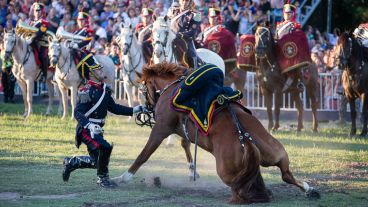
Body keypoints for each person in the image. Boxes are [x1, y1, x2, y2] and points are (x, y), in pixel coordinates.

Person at [62, 66, 146, 188]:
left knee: (97, 161)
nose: (103, 71)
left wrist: (136, 109)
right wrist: (89, 125)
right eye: (99, 70)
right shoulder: (86, 91)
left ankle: (71, 162)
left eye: (102, 69)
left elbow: (115, 108)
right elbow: (77, 113)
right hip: (86, 130)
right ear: (91, 74)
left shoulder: (105, 90)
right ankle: (102, 179)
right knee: (105, 147)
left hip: (98, 130)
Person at [275, 2, 304, 92]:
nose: (287, 15)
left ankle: (299, 81)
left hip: (290, 50)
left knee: (296, 63)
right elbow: (276, 38)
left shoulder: (295, 25)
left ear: (292, 14)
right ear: (283, 14)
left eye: (289, 13)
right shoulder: (279, 26)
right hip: (279, 49)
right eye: (286, 13)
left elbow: (297, 39)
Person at [170, 0, 202, 69]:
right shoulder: (172, 11)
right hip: (170, 40)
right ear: (179, 1)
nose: (184, 3)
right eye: (182, 0)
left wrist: (178, 35)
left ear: (190, 2)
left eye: (186, 1)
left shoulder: (196, 15)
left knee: (192, 55)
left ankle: (195, 71)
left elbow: (192, 32)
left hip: (185, 41)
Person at [27, 2, 50, 82]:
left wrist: (32, 38)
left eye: (39, 10)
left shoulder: (44, 22)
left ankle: (44, 74)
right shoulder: (31, 22)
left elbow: (41, 32)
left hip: (41, 43)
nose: (37, 12)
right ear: (33, 12)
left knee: (43, 56)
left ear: (41, 12)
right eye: (36, 11)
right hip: (31, 42)